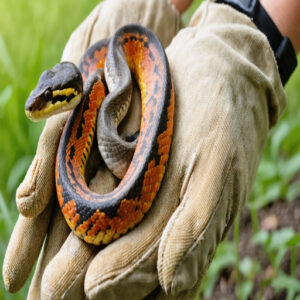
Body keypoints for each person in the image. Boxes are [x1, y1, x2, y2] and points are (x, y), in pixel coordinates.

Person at [3, 0, 299, 299]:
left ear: (70, 91)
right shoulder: (93, 86)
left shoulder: (108, 81)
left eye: (49, 97)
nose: (37, 105)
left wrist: (253, 27)